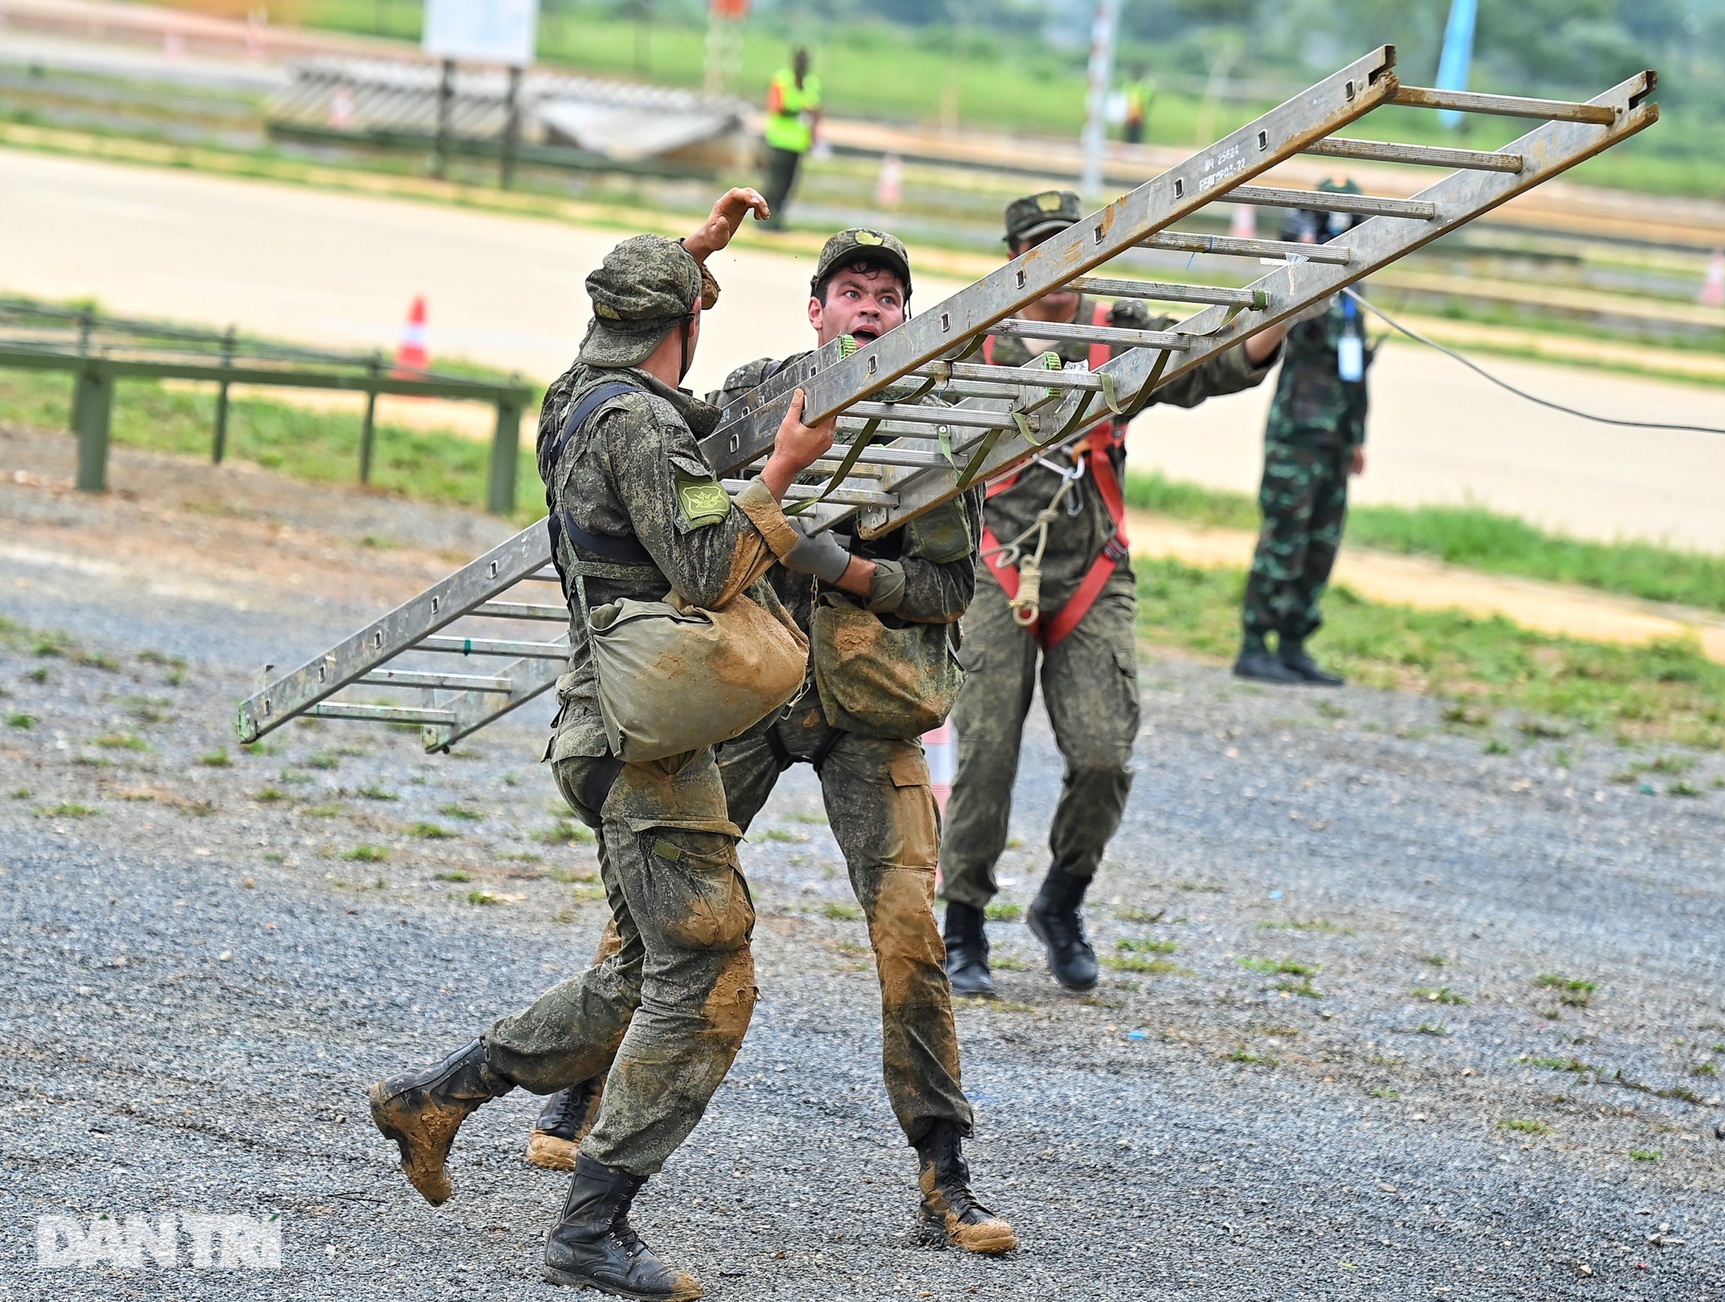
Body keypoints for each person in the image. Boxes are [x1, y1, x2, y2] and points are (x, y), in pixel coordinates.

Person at [365, 189, 847, 1301]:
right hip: (642, 736)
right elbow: (708, 570)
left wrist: (684, 255)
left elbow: (624, 333)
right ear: (684, 325)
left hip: (614, 723)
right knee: (708, 972)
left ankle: (435, 1099)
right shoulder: (642, 426)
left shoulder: (574, 397)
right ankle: (591, 1228)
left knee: (640, 969)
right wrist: (781, 470)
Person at [525, 228, 1015, 1257]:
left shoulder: (936, 422)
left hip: (869, 703)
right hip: (752, 692)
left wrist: (846, 570)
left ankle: (945, 1173)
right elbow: (649, 430)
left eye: (888, 294)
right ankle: (577, 1096)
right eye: (851, 290)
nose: (870, 306)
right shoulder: (758, 395)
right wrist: (684, 269)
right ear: (816, 310)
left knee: (909, 937)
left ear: (906, 314)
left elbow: (948, 589)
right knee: (661, 900)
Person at [938, 189, 1292, 998]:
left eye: (1075, 248)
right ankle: (962, 923)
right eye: (1042, 249)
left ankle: (1062, 900)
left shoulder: (1118, 330)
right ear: (1013, 260)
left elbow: (1215, 364)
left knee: (1104, 752)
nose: (1061, 267)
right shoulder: (972, 341)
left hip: (1092, 571)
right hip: (995, 566)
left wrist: (1287, 307)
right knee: (986, 751)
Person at [1236, 177, 1373, 687]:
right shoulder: (1304, 276)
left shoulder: (1356, 289)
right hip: (1296, 435)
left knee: (1320, 544)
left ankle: (1294, 643)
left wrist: (1355, 435)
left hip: (1335, 438)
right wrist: (1306, 249)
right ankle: (1255, 644)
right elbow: (1287, 315)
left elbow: (1353, 372)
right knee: (1283, 541)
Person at [763, 46, 822, 230]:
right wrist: (800, 109)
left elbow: (815, 112)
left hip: (798, 142)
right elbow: (775, 106)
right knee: (775, 183)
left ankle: (778, 219)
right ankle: (765, 219)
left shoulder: (812, 83)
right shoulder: (782, 80)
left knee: (789, 184)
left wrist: (813, 137)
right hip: (780, 140)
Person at [1122, 65, 1155, 145]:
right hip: (1129, 113)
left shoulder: (1144, 85)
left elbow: (1147, 99)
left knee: (1136, 134)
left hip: (1139, 112)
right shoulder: (1129, 84)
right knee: (1128, 135)